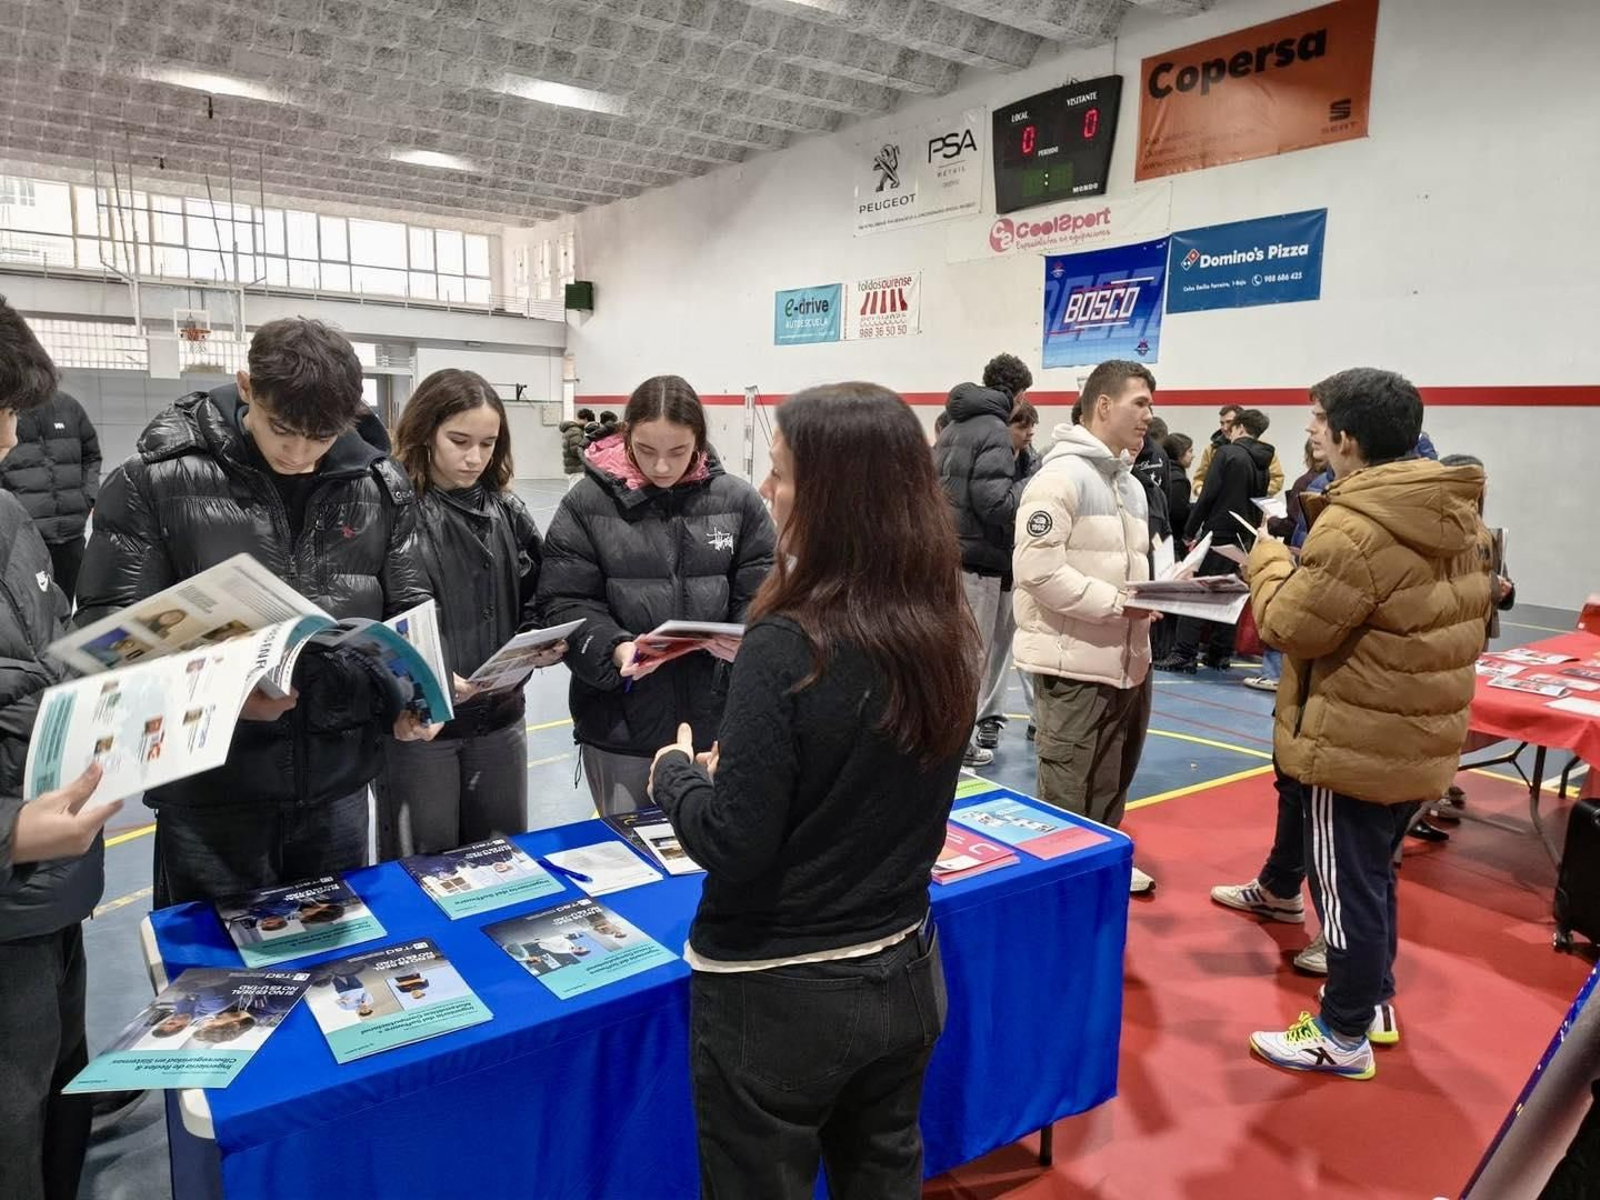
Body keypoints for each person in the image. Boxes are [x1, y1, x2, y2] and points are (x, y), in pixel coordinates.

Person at [648, 381, 978, 1199]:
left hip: (781, 994)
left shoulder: (791, 642)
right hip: (905, 965)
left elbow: (734, 842)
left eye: (784, 473)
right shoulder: (942, 624)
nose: (767, 489)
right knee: (885, 1167)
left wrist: (676, 777)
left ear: (836, 495)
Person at [76, 318, 438, 906]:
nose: (299, 453)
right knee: (214, 961)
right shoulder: (155, 480)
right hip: (213, 793)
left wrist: (412, 696)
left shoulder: (379, 483)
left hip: (338, 784)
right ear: (247, 386)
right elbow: (106, 637)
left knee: (338, 957)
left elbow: (409, 603)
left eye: (321, 437)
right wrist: (224, 697)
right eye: (283, 430)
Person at [1244, 367, 1492, 1080]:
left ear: (1348, 438)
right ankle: (1373, 1001)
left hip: (1355, 739)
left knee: (1345, 890)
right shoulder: (1456, 513)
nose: (1312, 431)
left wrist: (1268, 562)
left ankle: (1342, 1032)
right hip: (1417, 737)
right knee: (1375, 878)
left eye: (1320, 421)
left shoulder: (1355, 525)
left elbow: (1290, 625)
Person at [0, 295, 124, 1200]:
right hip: (17, 863)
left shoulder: (10, 519)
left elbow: (39, 660)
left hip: (51, 880)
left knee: (54, 1085)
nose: (11, 438)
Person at [537, 375, 774, 815]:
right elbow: (565, 601)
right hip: (620, 726)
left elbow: (764, 591)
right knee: (627, 849)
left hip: (718, 726)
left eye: (678, 451)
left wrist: (748, 639)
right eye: (646, 450)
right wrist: (614, 648)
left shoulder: (738, 501)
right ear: (626, 435)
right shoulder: (586, 504)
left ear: (699, 440)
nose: (662, 467)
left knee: (715, 847)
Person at [379, 369, 564, 858]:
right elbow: (374, 617)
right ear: (425, 432)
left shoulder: (508, 510)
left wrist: (541, 637)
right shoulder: (391, 510)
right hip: (422, 727)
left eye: (488, 443)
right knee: (424, 868)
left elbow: (540, 593)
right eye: (459, 441)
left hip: (501, 717)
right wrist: (412, 687)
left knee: (502, 863)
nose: (475, 458)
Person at [1013, 360, 1158, 893]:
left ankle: (1098, 865)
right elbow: (1037, 570)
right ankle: (1058, 890)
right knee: (1067, 790)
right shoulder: (1059, 478)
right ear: (1103, 405)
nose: (1149, 415)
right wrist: (1117, 604)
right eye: (1140, 403)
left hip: (1126, 661)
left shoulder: (1131, 486)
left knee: (1111, 779)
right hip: (1072, 662)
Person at [934, 351, 1032, 766]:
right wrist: (1032, 483)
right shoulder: (993, 430)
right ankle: (958, 744)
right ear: (1017, 393)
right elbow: (995, 504)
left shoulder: (955, 424)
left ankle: (947, 740)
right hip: (978, 561)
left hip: (948, 554)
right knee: (971, 661)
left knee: (951, 657)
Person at [1156, 408, 1275, 674]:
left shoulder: (1227, 453)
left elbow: (1208, 494)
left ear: (1240, 428)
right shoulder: (1264, 461)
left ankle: (1184, 653)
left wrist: (1190, 529)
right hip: (1245, 535)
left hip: (1220, 532)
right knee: (1229, 593)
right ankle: (1220, 653)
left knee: (1198, 590)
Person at [1243, 438, 1329, 692]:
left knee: (1282, 608)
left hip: (1298, 556)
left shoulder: (1308, 483)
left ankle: (1273, 673)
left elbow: (1292, 524)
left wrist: (1269, 532)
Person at [0, 388, 100, 603]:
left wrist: (88, 496)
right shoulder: (5, 410)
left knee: (66, 602)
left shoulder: (69, 406)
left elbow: (92, 455)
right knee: (30, 606)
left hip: (71, 533)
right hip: (25, 535)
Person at [1162, 432, 1194, 537]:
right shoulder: (1179, 481)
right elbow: (1179, 515)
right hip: (1173, 536)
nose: (1193, 456)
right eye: (1190, 451)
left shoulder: (1163, 471)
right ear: (1180, 453)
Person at [558, 407, 594, 490]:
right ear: (586, 419)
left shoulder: (572, 430)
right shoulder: (576, 431)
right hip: (577, 467)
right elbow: (576, 450)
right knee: (575, 490)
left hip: (574, 466)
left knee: (576, 490)